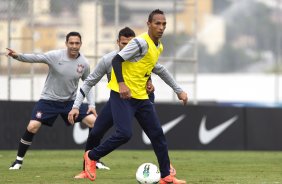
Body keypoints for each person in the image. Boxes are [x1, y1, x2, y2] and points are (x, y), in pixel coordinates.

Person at [70, 10, 187, 183]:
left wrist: (177, 90)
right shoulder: (139, 43)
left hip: (140, 98)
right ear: (148, 24)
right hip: (121, 96)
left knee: (157, 135)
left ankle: (166, 176)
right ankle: (91, 157)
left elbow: (153, 68)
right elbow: (117, 60)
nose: (161, 27)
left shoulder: (158, 46)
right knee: (123, 133)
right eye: (157, 23)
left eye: (164, 24)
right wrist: (122, 84)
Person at [6, 32, 108, 170]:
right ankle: (18, 161)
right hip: (48, 100)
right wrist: (17, 56)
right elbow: (36, 58)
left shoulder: (83, 63)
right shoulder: (55, 56)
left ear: (80, 44)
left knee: (94, 123)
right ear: (66, 44)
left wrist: (91, 105)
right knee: (32, 126)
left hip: (71, 103)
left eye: (77, 43)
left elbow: (88, 84)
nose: (74, 46)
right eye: (71, 43)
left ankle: (93, 160)